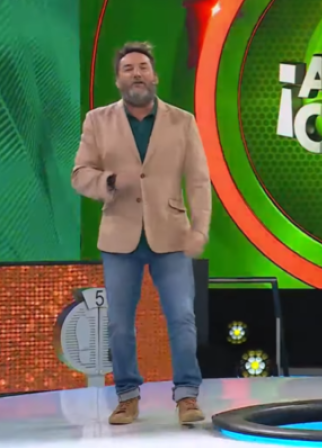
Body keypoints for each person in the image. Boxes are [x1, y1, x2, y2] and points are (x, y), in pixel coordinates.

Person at [71, 42, 211, 425]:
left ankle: (187, 396)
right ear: (118, 80)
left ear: (155, 76)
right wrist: (108, 181)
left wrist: (200, 228)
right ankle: (127, 397)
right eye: (129, 68)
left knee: (182, 317)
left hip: (171, 235)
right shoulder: (97, 121)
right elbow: (80, 174)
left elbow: (198, 181)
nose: (137, 73)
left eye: (143, 67)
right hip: (120, 236)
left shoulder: (182, 121)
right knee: (119, 324)